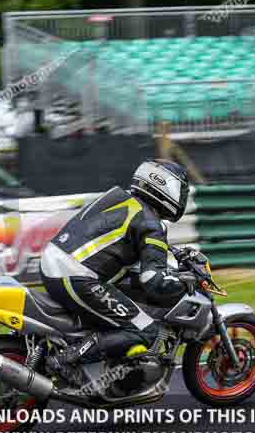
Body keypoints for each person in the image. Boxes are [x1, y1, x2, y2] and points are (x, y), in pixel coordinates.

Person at [39, 159, 192, 376]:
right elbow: (152, 280)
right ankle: (66, 359)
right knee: (146, 330)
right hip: (76, 276)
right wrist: (184, 284)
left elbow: (130, 246)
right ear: (166, 188)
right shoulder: (151, 224)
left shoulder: (121, 198)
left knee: (114, 310)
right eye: (180, 191)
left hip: (51, 262)